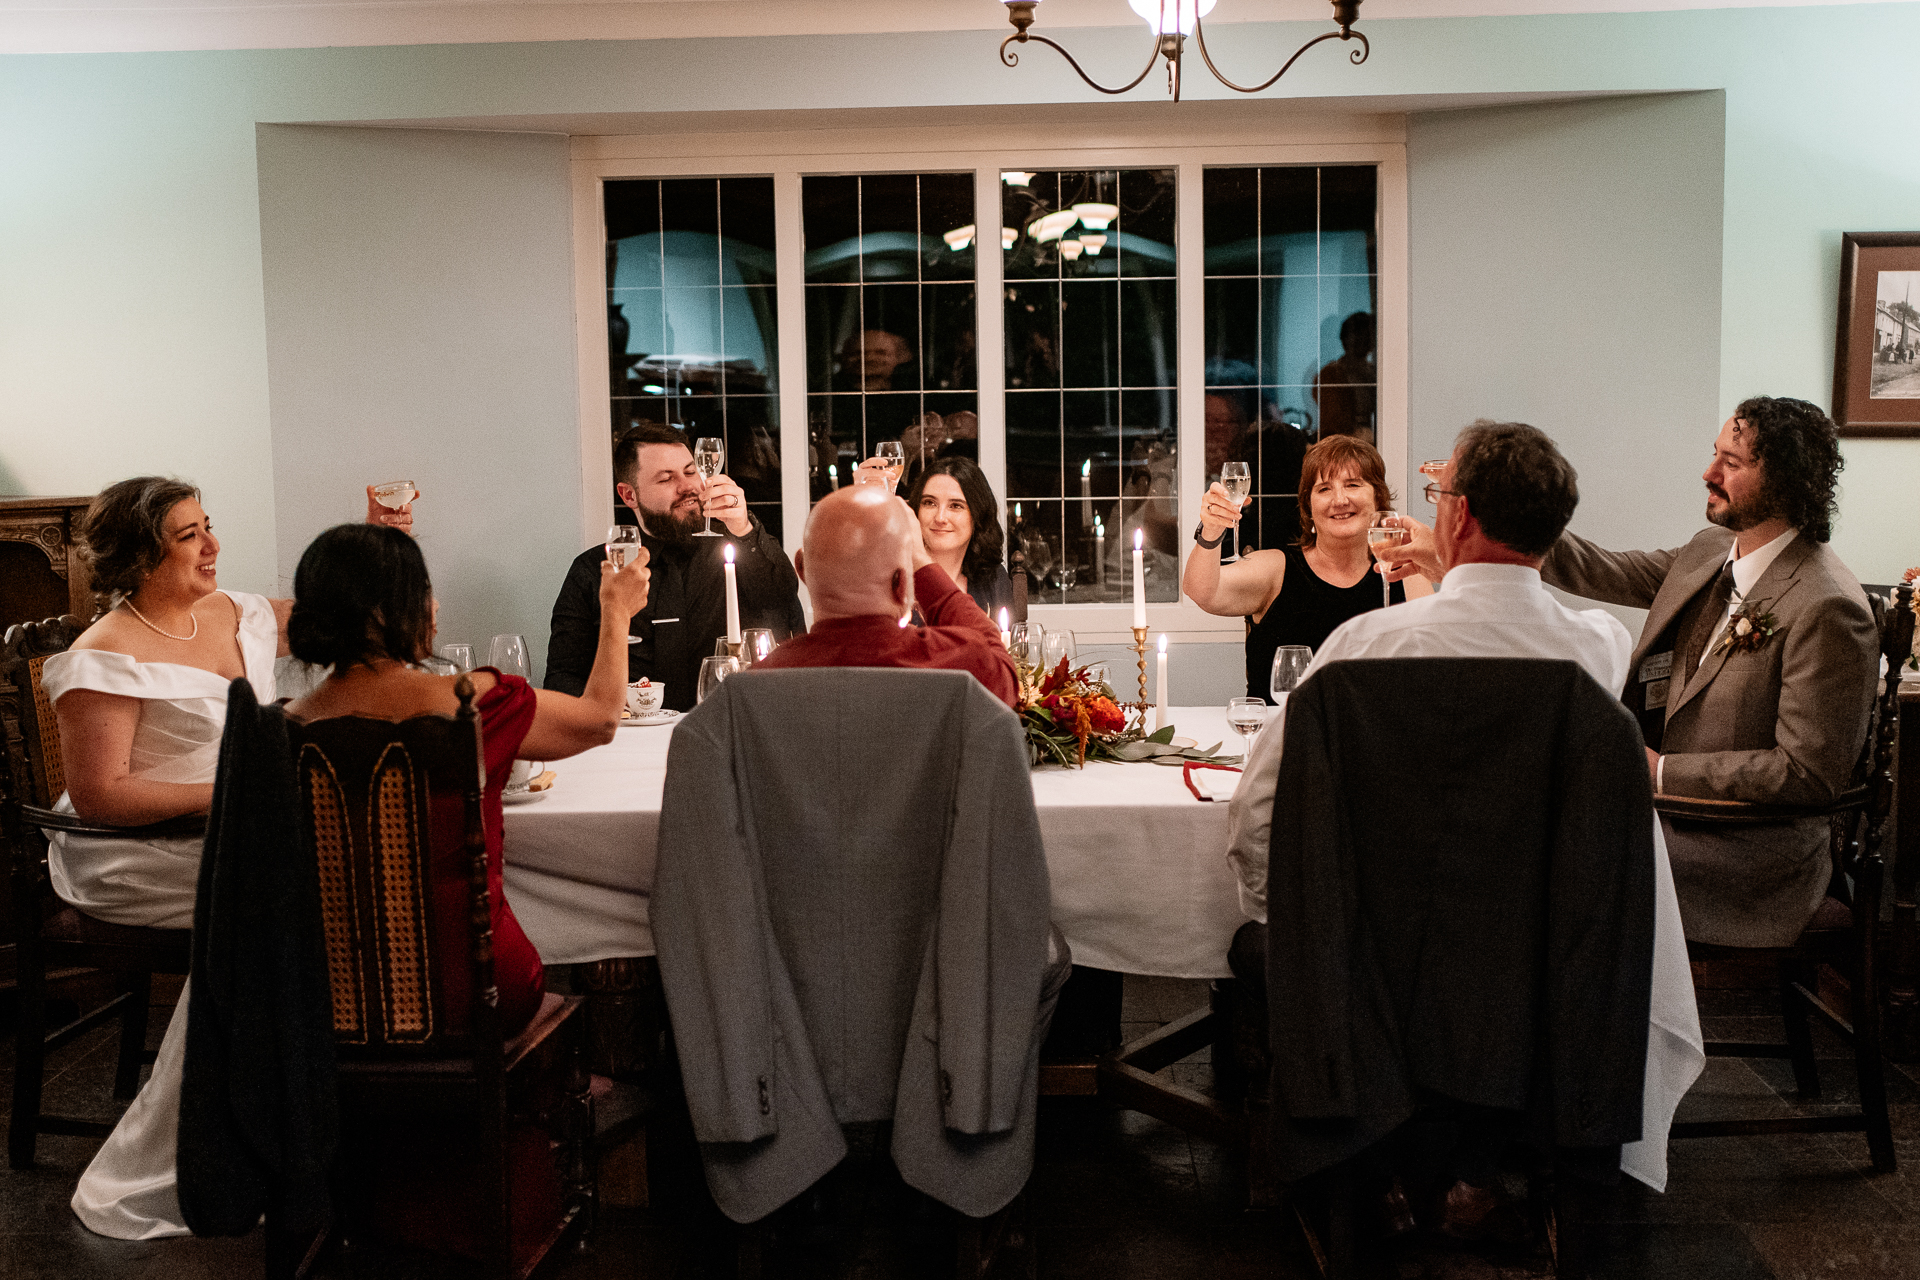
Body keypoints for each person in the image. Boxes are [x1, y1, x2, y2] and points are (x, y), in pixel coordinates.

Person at [1227, 422, 1699, 1217]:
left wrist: (1292, 921)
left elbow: (1259, 811)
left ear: (1459, 517)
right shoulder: (1596, 653)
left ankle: (1378, 1161)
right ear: (1554, 530)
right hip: (1545, 975)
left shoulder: (1361, 649)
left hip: (1377, 975)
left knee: (1257, 949)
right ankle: (1482, 1164)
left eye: (1440, 498)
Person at [41, 476, 401, 1240]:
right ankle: (237, 1144)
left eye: (208, 527)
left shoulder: (233, 611)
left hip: (229, 832)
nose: (212, 546)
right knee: (291, 894)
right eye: (188, 535)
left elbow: (342, 623)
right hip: (132, 854)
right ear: (140, 554)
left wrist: (376, 543)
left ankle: (330, 1116)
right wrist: (237, 794)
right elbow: (102, 794)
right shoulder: (101, 654)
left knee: (323, 875)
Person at [1527, 396, 1878, 949]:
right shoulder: (1714, 549)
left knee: (1551, 856)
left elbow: (1807, 774)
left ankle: (1618, 1026)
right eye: (1715, 454)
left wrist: (1661, 774)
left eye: (1732, 463)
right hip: (1674, 821)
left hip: (1746, 852)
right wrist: (1501, 527)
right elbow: (1608, 571)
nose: (1709, 473)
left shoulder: (1828, 607)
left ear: (1785, 480)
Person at [285, 522, 649, 1030]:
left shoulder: (285, 725)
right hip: (471, 992)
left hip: (320, 998)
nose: (436, 609)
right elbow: (601, 719)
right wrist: (614, 612)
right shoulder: (470, 706)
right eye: (426, 592)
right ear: (392, 610)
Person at [545, 423, 803, 712]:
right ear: (629, 495)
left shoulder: (736, 551)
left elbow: (781, 595)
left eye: (691, 472)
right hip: (629, 742)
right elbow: (562, 678)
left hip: (726, 726)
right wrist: (617, 714)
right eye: (666, 479)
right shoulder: (594, 571)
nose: (688, 486)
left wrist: (743, 528)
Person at [1183, 435, 1434, 705]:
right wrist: (1211, 529)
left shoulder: (1406, 574)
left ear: (1378, 498)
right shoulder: (1276, 569)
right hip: (1283, 738)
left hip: (1374, 739)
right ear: (1309, 507)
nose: (1340, 499)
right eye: (1324, 489)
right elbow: (1201, 591)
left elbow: (1434, 667)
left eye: (1352, 484)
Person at [757, 484, 1019, 708]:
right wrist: (921, 562)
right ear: (903, 583)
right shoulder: (955, 663)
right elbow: (1004, 674)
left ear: (801, 568)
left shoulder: (754, 684)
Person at [901, 455, 1013, 622]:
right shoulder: (894, 578)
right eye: (929, 503)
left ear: (977, 515)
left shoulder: (993, 579)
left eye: (955, 506)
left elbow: (1008, 645)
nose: (940, 517)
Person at [1311, 311, 1377, 444]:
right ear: (1345, 338)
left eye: (1367, 334)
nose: (1363, 339)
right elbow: (1333, 424)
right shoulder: (1330, 374)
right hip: (1341, 445)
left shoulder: (1374, 372)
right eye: (1357, 334)